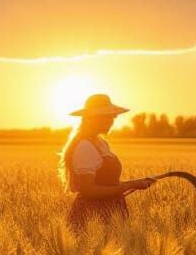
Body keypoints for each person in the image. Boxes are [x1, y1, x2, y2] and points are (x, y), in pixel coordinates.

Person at [60, 93, 153, 231]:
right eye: (107, 117)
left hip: (111, 213)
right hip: (92, 217)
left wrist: (137, 183)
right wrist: (129, 185)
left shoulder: (100, 143)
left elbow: (107, 182)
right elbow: (87, 190)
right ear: (93, 119)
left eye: (112, 117)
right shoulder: (85, 146)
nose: (112, 121)